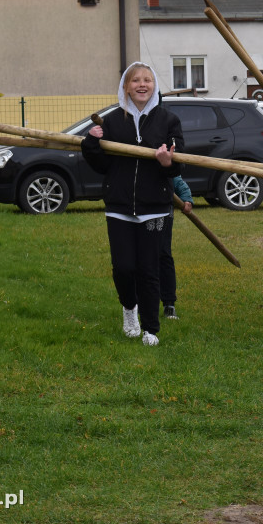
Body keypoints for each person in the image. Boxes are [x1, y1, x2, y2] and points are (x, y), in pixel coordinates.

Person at [82, 62, 184, 347]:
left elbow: (177, 164)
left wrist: (168, 162)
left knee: (149, 269)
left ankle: (151, 328)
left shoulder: (168, 121)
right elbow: (102, 165)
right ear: (126, 87)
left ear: (154, 86)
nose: (142, 85)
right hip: (119, 207)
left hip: (155, 208)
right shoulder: (113, 121)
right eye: (136, 80)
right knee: (124, 268)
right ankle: (130, 310)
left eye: (148, 80)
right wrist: (91, 143)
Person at [160, 175, 193, 320]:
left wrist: (186, 199)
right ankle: (138, 304)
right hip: (140, 212)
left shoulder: (160, 153)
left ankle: (169, 305)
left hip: (163, 213)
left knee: (163, 256)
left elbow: (177, 180)